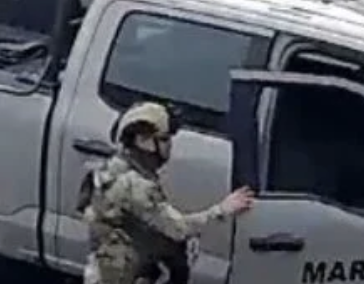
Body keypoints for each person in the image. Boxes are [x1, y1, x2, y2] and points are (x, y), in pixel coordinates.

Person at [80, 102, 254, 284]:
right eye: (164, 139)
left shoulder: (110, 171)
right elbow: (179, 229)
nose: (169, 146)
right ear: (142, 141)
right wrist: (223, 209)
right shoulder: (135, 185)